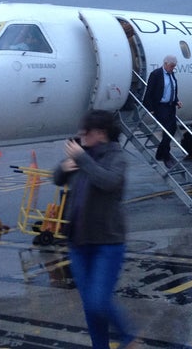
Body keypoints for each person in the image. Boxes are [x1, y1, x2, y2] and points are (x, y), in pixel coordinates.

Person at [53, 110, 137, 349]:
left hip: (107, 241)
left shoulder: (115, 156)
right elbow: (57, 178)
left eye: (86, 132)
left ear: (101, 133)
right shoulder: (83, 154)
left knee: (99, 301)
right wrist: (65, 168)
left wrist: (82, 161)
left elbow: (109, 182)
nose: (81, 136)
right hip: (78, 242)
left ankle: (129, 338)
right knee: (89, 305)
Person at [142, 55, 182, 168]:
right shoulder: (156, 75)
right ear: (165, 64)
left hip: (170, 106)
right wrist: (151, 109)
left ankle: (161, 152)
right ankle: (165, 155)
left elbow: (172, 90)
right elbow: (149, 92)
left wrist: (177, 100)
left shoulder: (171, 74)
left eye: (174, 67)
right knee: (168, 129)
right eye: (171, 66)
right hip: (160, 107)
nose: (172, 69)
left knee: (173, 127)